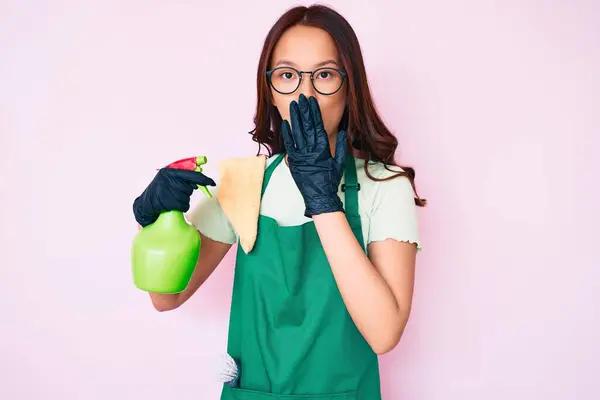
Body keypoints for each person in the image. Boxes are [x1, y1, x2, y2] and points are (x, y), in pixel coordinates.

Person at [132, 4, 426, 399]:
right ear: (269, 90)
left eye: (324, 75)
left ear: (349, 85)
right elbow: (166, 298)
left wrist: (323, 201)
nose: (305, 94)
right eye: (287, 75)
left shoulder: (384, 186)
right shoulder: (245, 182)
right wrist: (156, 221)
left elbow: (384, 333)